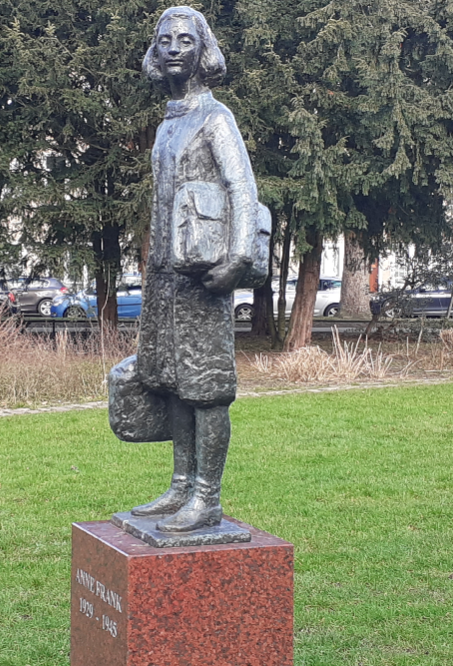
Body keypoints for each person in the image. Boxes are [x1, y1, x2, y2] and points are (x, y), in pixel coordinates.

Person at [129, 6, 261, 533]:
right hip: (166, 276)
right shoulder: (170, 120)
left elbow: (242, 188)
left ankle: (207, 496)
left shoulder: (215, 116)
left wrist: (239, 257)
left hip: (204, 278)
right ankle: (182, 484)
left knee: (206, 387)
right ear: (156, 52)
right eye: (165, 40)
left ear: (202, 50)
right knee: (172, 383)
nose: (174, 47)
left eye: (186, 39)